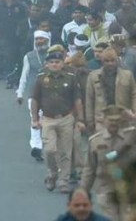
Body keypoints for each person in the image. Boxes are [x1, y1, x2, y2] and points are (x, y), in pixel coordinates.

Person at [31, 50, 85, 193]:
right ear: (47, 64)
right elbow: (35, 99)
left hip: (66, 118)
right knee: (50, 150)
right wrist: (35, 119)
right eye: (52, 62)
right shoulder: (41, 78)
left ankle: (63, 180)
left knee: (66, 152)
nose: (55, 64)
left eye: (57, 62)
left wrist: (80, 120)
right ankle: (52, 173)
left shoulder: (71, 78)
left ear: (62, 64)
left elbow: (77, 100)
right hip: (48, 119)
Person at [81, 105, 136, 220]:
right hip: (105, 187)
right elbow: (90, 168)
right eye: (111, 120)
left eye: (117, 120)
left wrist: (134, 118)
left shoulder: (130, 135)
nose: (114, 123)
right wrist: (83, 191)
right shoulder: (95, 141)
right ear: (104, 120)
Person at [84, 48, 136, 132]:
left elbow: (135, 95)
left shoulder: (127, 75)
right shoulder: (93, 76)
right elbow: (89, 99)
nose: (110, 63)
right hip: (102, 120)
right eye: (107, 61)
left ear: (117, 60)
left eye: (112, 60)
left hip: (123, 119)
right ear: (102, 61)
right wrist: (89, 120)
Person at [17, 29, 52, 162]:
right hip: (33, 93)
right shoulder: (29, 56)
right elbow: (24, 75)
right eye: (37, 39)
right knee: (35, 118)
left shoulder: (54, 55)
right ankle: (36, 146)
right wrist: (20, 93)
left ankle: (48, 145)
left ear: (47, 40)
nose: (39, 41)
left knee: (47, 120)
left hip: (51, 93)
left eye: (41, 39)